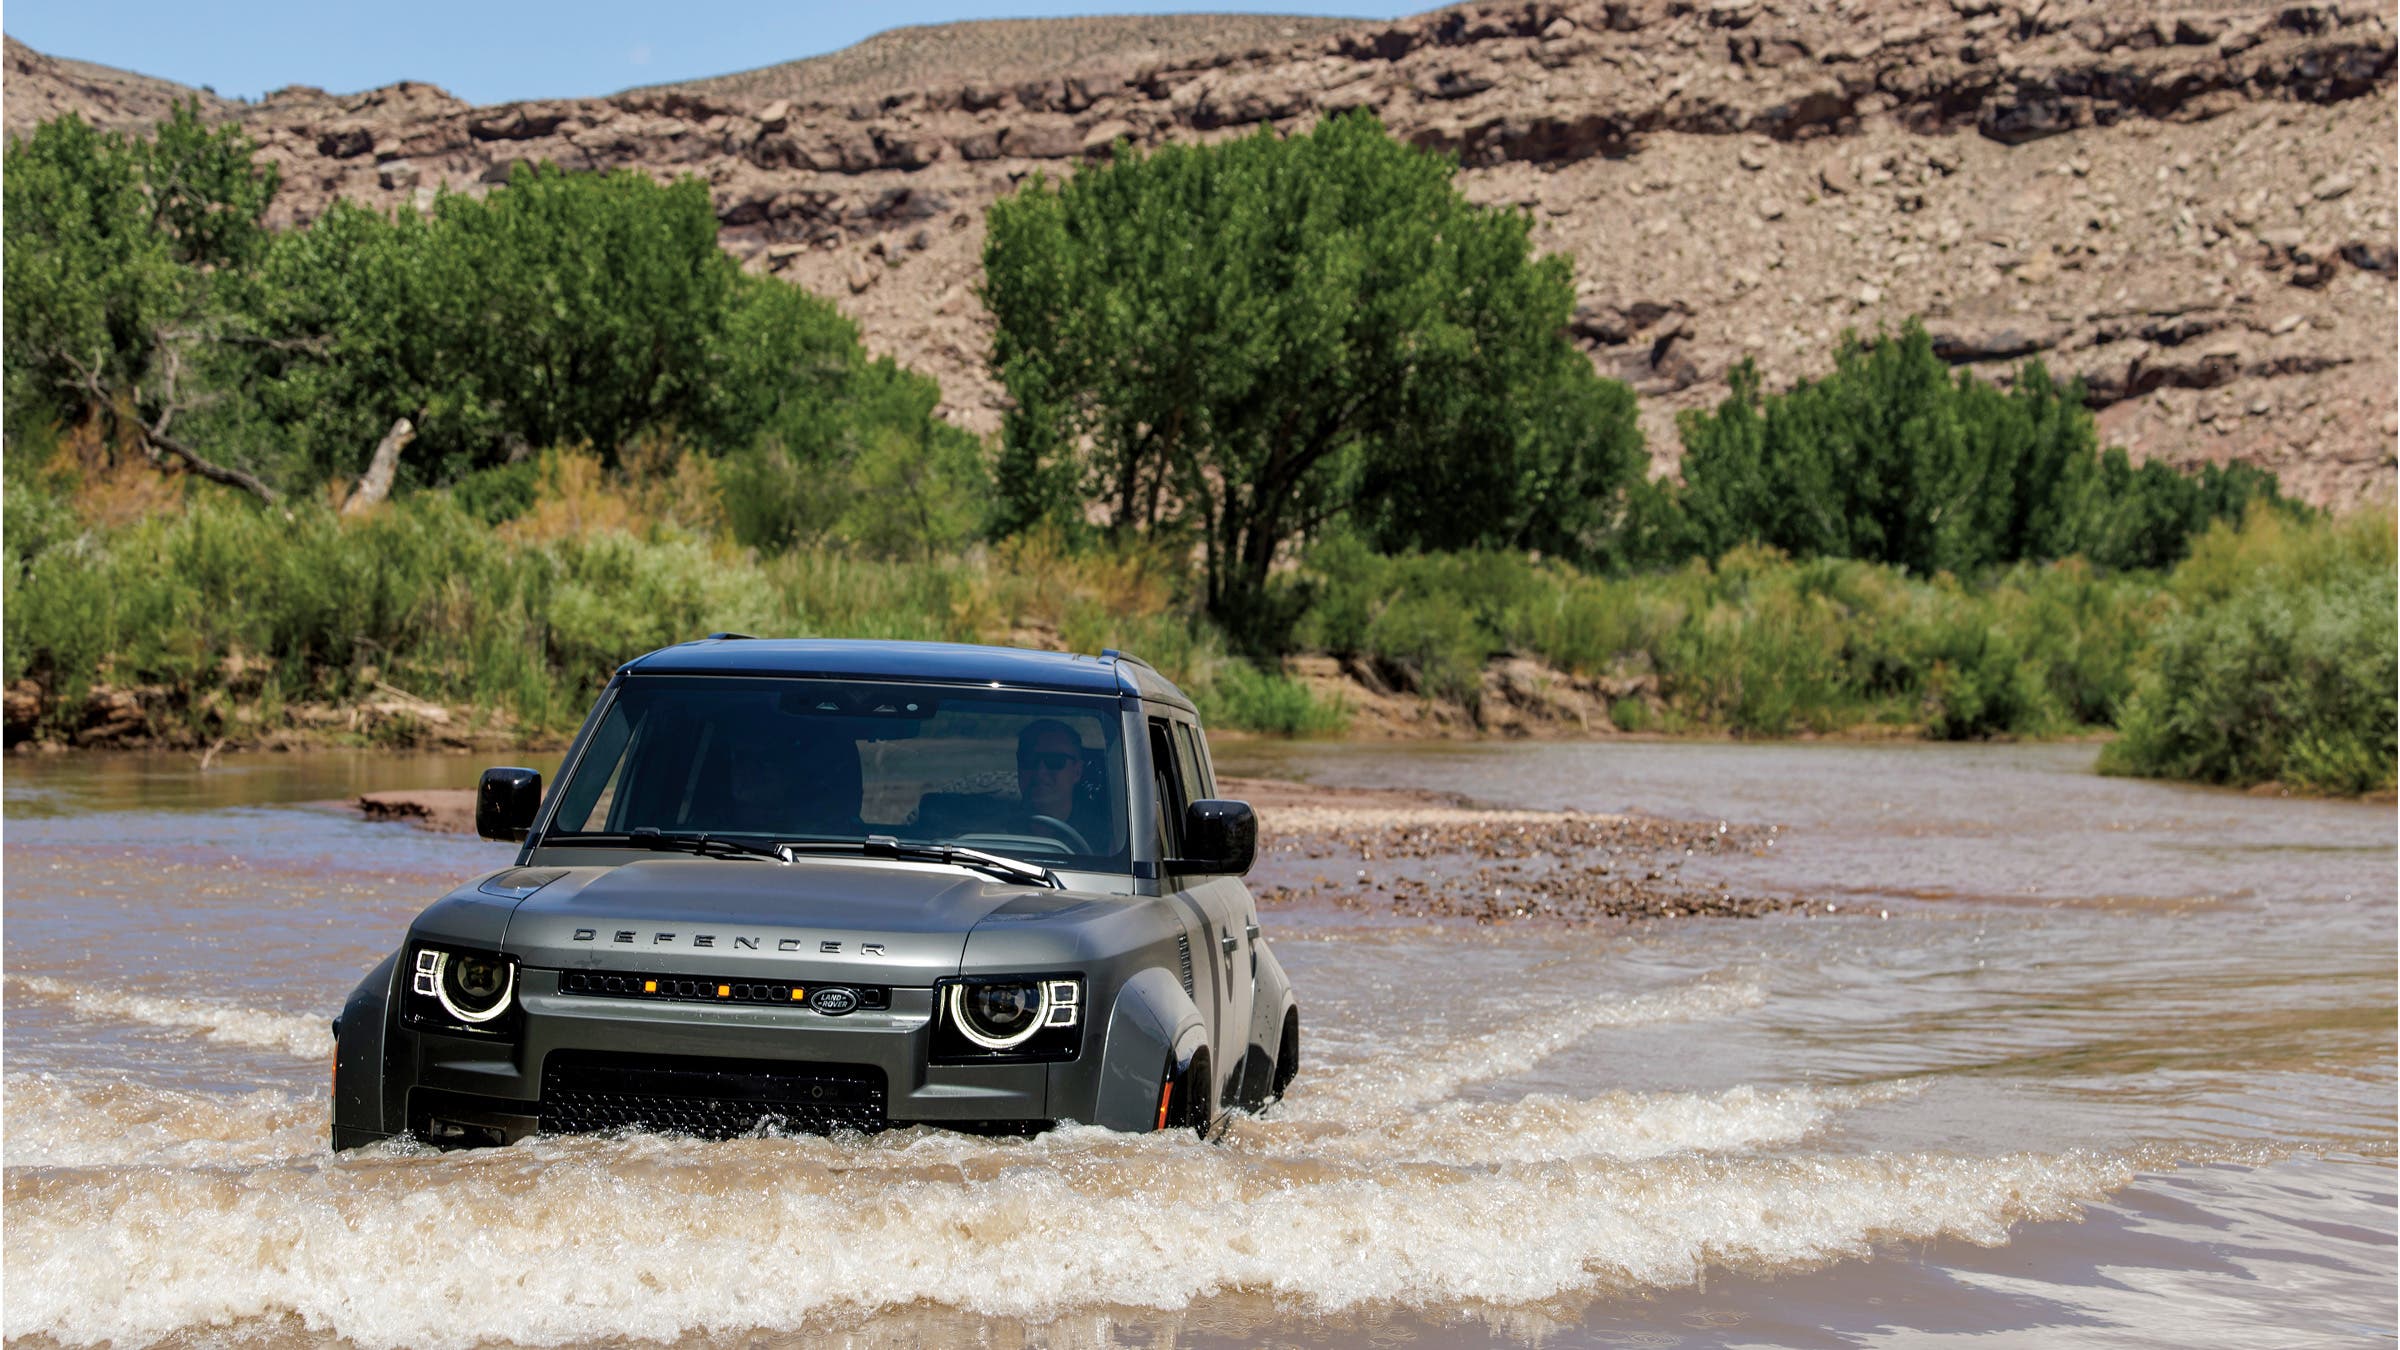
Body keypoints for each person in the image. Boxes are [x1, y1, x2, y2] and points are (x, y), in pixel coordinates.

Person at [1015, 719, 1091, 850]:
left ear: (1077, 771)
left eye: (1055, 761)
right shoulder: (991, 829)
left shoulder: (1104, 837)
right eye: (1029, 759)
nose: (1040, 772)